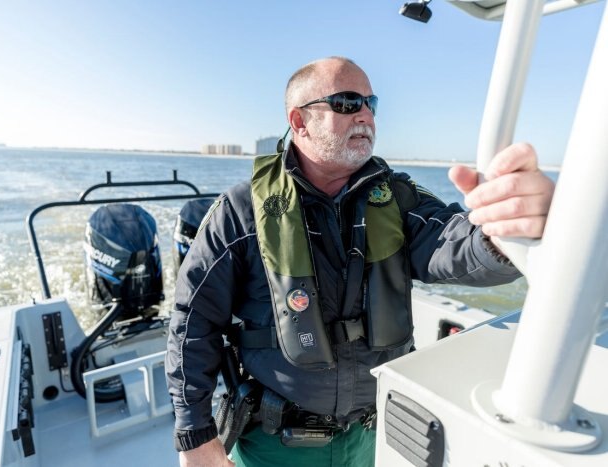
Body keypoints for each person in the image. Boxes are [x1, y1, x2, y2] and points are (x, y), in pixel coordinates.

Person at [165, 56, 554, 467]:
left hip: (374, 437)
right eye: (348, 102)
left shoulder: (398, 199)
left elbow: (456, 244)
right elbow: (193, 323)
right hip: (275, 447)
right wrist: (195, 438)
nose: (366, 115)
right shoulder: (241, 211)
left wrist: (507, 232)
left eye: (372, 103)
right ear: (299, 121)